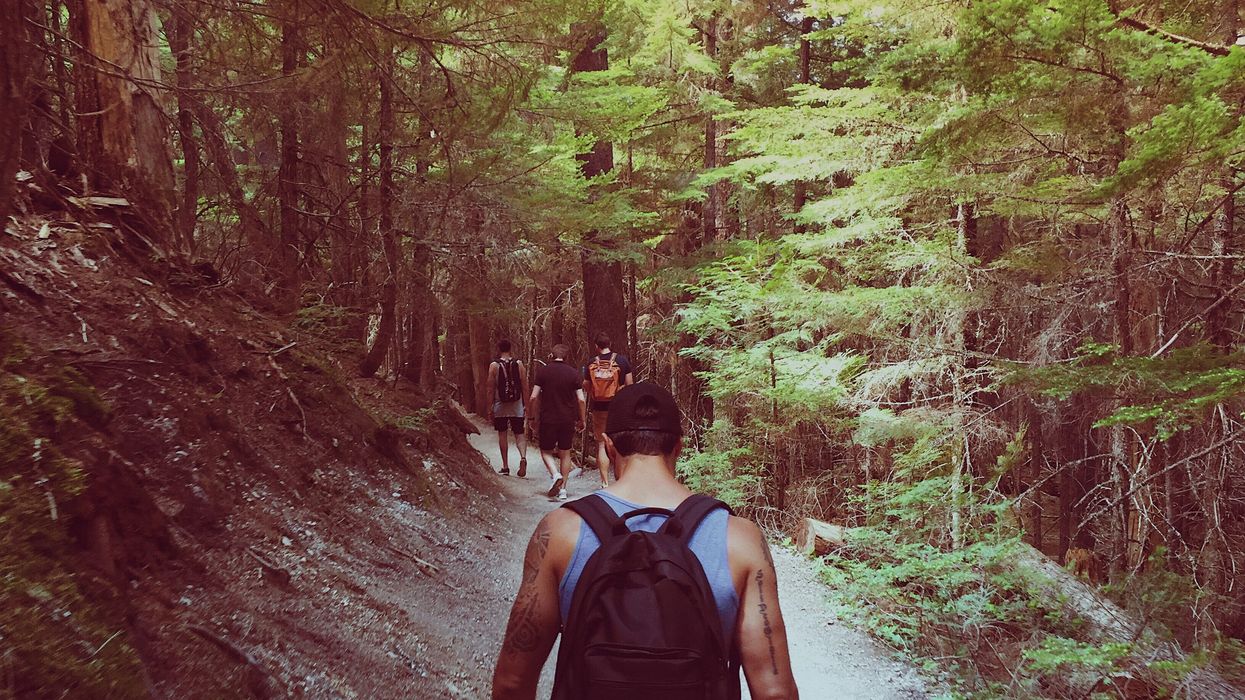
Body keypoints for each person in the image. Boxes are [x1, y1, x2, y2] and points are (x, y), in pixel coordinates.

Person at [491, 383, 799, 700]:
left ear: (609, 447)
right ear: (678, 447)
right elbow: (774, 692)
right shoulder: (740, 538)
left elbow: (512, 682)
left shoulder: (559, 532)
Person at [529, 344, 586, 502]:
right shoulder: (573, 374)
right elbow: (581, 399)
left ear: (551, 356)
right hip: (567, 418)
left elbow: (533, 397)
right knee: (565, 452)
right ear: (566, 357)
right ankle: (563, 491)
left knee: (545, 451)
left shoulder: (543, 372)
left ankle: (555, 475)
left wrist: (531, 417)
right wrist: (582, 419)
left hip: (548, 418)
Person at [581, 332, 634, 488]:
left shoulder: (592, 363)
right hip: (618, 407)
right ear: (610, 344)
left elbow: (585, 384)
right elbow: (630, 384)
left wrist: (595, 391)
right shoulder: (622, 360)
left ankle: (604, 483)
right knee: (618, 443)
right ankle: (621, 481)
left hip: (599, 407)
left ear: (597, 347)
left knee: (602, 444)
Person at [486, 340, 530, 477]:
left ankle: (505, 466)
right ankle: (523, 457)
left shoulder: (494, 365)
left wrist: (489, 407)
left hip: (501, 404)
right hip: (516, 404)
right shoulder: (519, 364)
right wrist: (526, 405)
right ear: (510, 349)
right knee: (519, 433)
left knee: (502, 434)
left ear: (498, 349)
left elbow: (490, 388)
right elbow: (525, 385)